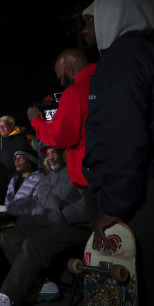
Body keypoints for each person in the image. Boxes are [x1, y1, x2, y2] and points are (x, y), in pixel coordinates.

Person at [82, 0, 154, 306]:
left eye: (90, 21)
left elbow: (124, 136)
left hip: (143, 190)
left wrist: (112, 207)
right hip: (153, 184)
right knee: (153, 293)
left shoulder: (124, 59)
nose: (85, 31)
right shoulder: (140, 54)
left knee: (147, 299)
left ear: (112, 17)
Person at [0, 146, 90, 306]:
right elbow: (36, 207)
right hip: (48, 226)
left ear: (64, 154)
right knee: (6, 236)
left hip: (73, 227)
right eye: (48, 153)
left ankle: (7, 300)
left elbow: (88, 204)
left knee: (32, 242)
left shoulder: (75, 172)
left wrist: (63, 215)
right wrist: (12, 217)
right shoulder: (48, 178)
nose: (51, 157)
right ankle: (42, 285)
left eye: (55, 153)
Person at [26, 48, 98, 219]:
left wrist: (36, 120)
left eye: (61, 78)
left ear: (70, 71)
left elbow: (59, 136)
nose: (61, 84)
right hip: (113, 171)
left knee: (101, 239)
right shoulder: (106, 84)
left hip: (91, 179)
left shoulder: (75, 93)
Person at [2, 148, 44, 221]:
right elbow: (7, 202)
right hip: (9, 217)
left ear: (30, 161)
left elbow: (35, 204)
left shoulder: (39, 179)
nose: (16, 161)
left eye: (20, 158)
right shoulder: (13, 179)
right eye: (15, 159)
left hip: (27, 220)